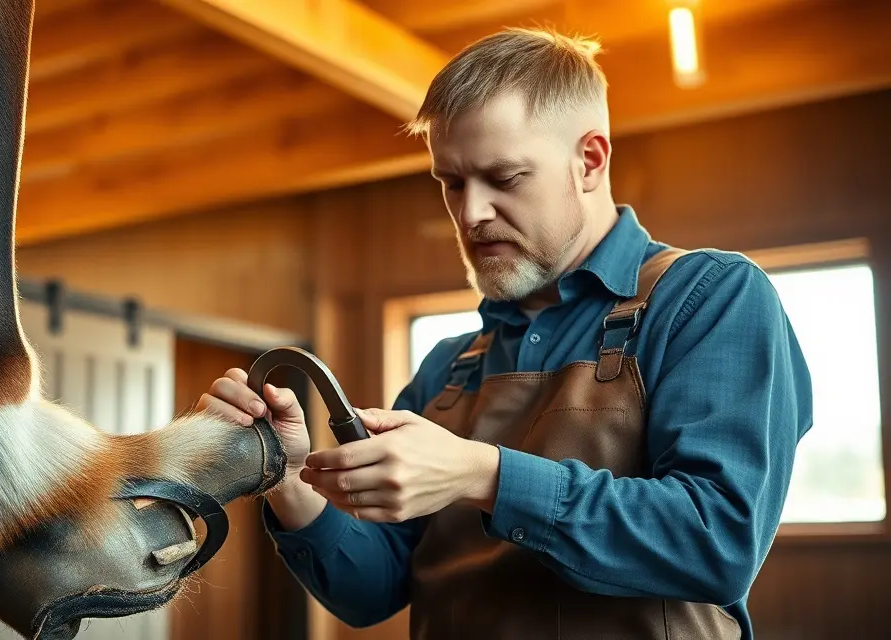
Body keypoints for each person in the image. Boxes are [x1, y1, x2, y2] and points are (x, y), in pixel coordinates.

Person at [196, 27, 811, 640]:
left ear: (590, 160)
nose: (471, 214)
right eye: (452, 182)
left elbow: (717, 542)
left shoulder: (708, 297)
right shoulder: (448, 366)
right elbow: (375, 590)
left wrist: (482, 474)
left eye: (506, 177)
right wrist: (285, 480)